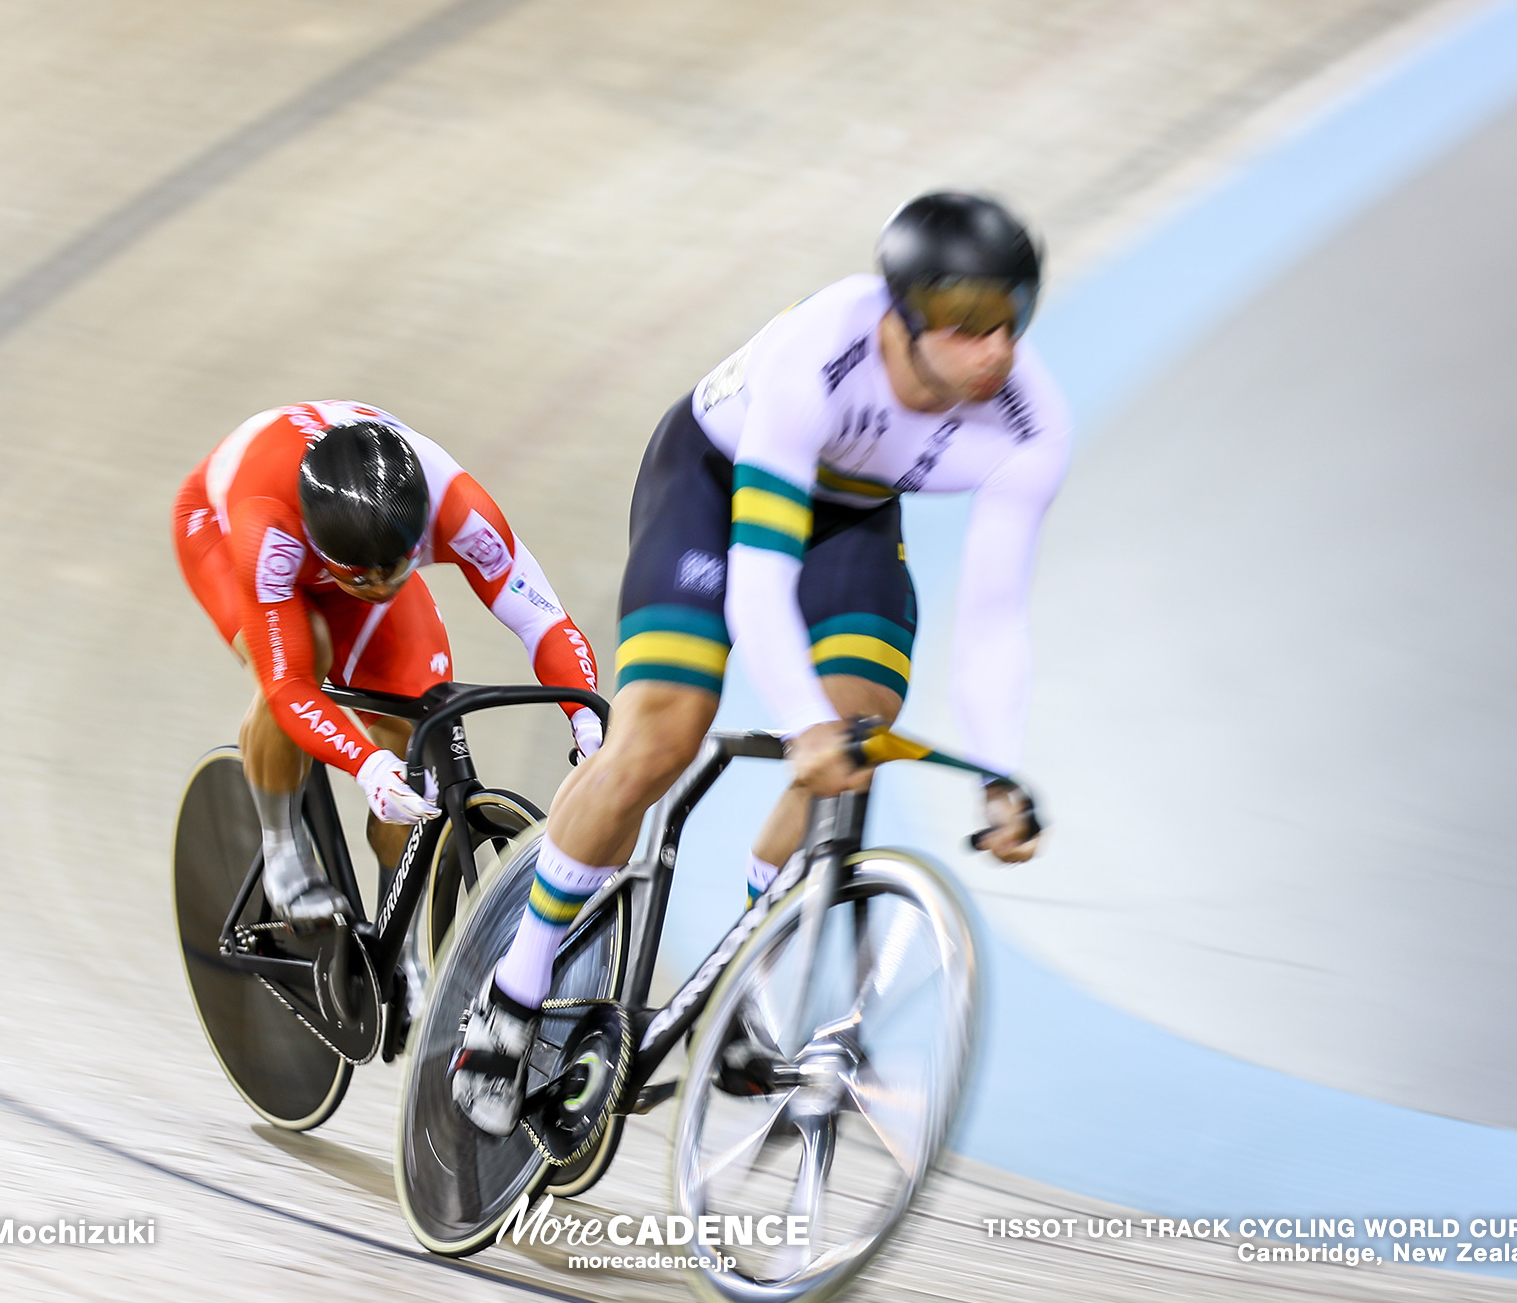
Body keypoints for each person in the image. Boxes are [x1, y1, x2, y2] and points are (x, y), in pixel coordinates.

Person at [452, 192, 1065, 1135]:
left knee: (856, 736)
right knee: (660, 735)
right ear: (901, 316)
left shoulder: (1029, 422)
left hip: (853, 517)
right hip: (710, 480)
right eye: (967, 325)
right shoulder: (819, 353)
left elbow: (992, 617)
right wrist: (800, 723)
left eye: (1011, 319)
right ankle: (514, 993)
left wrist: (997, 769)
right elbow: (757, 585)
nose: (996, 350)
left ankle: (741, 974)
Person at [173, 400, 603, 927]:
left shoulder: (454, 505)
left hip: (347, 539)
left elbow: (544, 620)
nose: (377, 589)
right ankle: (282, 848)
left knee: (415, 725)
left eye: (391, 572)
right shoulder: (270, 528)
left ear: (418, 536)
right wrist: (367, 767)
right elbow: (289, 687)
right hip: (218, 528)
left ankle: (396, 945)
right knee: (302, 653)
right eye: (359, 579)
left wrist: (584, 716)